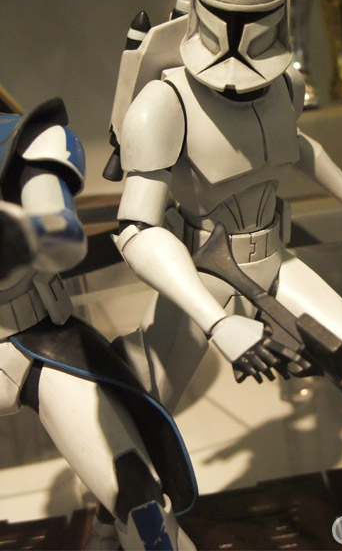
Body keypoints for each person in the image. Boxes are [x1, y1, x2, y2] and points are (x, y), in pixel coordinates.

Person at [111, 0, 342, 488]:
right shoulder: (163, 102)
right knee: (143, 415)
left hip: (276, 260)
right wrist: (216, 322)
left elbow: (297, 147)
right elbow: (136, 229)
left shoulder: (286, 85)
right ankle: (121, 520)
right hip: (203, 272)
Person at [0, 98, 196, 550]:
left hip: (36, 343)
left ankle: (110, 531)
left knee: (141, 506)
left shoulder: (26, 143)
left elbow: (60, 234)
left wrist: (30, 237)